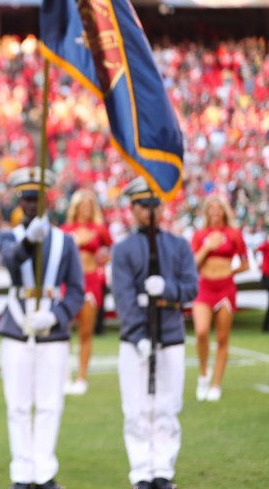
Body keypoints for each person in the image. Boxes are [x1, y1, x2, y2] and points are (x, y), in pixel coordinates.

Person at [0, 166, 84, 489]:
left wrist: (57, 315)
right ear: (20, 202)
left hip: (51, 329)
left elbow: (76, 290)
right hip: (17, 324)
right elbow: (9, 260)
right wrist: (29, 243)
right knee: (18, 405)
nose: (32, 205)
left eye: (37, 199)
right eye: (27, 199)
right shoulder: (9, 236)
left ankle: (43, 472)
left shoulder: (65, 241)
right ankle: (22, 473)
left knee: (49, 404)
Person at [111, 177, 198, 489]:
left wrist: (169, 289)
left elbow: (191, 287)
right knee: (135, 409)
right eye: (142, 205)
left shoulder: (179, 245)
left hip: (171, 335)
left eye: (153, 204)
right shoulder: (123, 249)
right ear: (132, 209)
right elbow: (122, 296)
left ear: (161, 207)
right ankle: (140, 473)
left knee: (166, 407)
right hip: (136, 341)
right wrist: (138, 334)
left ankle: (162, 470)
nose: (149, 211)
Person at [190, 194, 249, 401]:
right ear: (206, 212)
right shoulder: (200, 234)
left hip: (226, 289)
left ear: (224, 211)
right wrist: (208, 246)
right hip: (204, 287)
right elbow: (193, 264)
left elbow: (245, 263)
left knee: (223, 338)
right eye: (211, 208)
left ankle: (216, 384)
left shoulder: (234, 234)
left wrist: (230, 274)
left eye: (218, 208)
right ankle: (204, 374)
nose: (215, 212)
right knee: (201, 332)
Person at [61, 188, 112, 396]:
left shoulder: (99, 229)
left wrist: (102, 260)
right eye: (82, 205)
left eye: (89, 206)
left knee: (85, 331)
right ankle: (64, 376)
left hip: (91, 281)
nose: (85, 209)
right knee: (64, 331)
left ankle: (81, 377)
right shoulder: (66, 229)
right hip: (69, 282)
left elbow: (111, 249)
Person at [255, 236, 269, 332]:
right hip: (267, 276)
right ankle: (266, 326)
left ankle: (266, 326)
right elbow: (256, 249)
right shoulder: (267, 245)